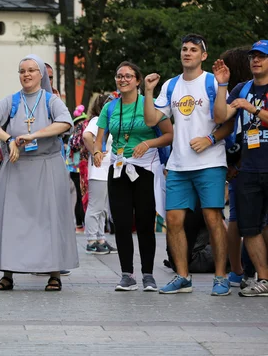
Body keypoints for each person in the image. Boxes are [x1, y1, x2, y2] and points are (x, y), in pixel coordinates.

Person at [0, 54, 78, 292]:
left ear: (40, 75)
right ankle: (7, 274)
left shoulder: (50, 100)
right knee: (11, 221)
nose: (26, 74)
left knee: (50, 220)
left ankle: (54, 273)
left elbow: (65, 123)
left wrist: (34, 135)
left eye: (32, 70)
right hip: (18, 168)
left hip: (47, 166)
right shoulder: (11, 101)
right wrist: (9, 138)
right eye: (22, 70)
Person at [144, 34, 231, 296]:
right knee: (173, 220)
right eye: (184, 49)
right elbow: (151, 120)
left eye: (194, 50)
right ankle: (182, 276)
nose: (187, 53)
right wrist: (148, 91)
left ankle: (220, 276)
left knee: (213, 217)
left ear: (203, 56)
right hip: (179, 164)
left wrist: (210, 139)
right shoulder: (171, 85)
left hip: (210, 162)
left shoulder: (212, 82)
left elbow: (223, 119)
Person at [95, 61, 173, 291]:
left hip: (145, 167)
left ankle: (148, 274)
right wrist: (98, 151)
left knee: (145, 222)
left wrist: (148, 142)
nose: (123, 80)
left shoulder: (150, 104)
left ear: (138, 80)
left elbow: (169, 134)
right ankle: (126, 274)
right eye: (119, 76)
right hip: (119, 167)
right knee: (121, 222)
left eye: (128, 76)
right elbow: (99, 137)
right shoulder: (109, 108)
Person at [213, 40, 268, 296]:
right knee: (249, 227)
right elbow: (220, 116)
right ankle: (262, 279)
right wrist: (222, 84)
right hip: (248, 167)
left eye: (261, 57)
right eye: (252, 57)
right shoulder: (241, 88)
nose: (255, 61)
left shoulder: (253, 97)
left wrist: (253, 108)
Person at [216, 47, 253, 287]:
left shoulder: (237, 91)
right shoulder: (245, 90)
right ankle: (249, 269)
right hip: (246, 162)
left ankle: (238, 269)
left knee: (237, 219)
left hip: (239, 162)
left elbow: (224, 126)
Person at [82, 94, 116, 255]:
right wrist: (96, 152)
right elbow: (86, 136)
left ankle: (100, 237)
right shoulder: (97, 121)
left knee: (103, 208)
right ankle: (91, 240)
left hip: (106, 170)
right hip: (99, 170)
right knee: (95, 206)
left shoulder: (107, 123)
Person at [68, 105, 88, 231]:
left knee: (82, 196)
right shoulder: (75, 138)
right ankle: (80, 223)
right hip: (77, 169)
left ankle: (81, 223)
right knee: (81, 197)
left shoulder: (74, 137)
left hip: (78, 168)